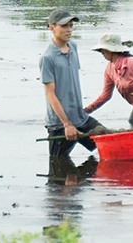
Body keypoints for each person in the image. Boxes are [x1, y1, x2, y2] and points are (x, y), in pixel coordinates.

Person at [41, 9, 106, 157]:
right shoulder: (47, 58)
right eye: (64, 26)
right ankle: (77, 177)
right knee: (57, 169)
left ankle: (84, 178)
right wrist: (66, 124)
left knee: (110, 145)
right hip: (60, 125)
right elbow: (50, 94)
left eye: (71, 25)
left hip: (80, 118)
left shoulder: (73, 47)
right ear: (52, 27)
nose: (69, 29)